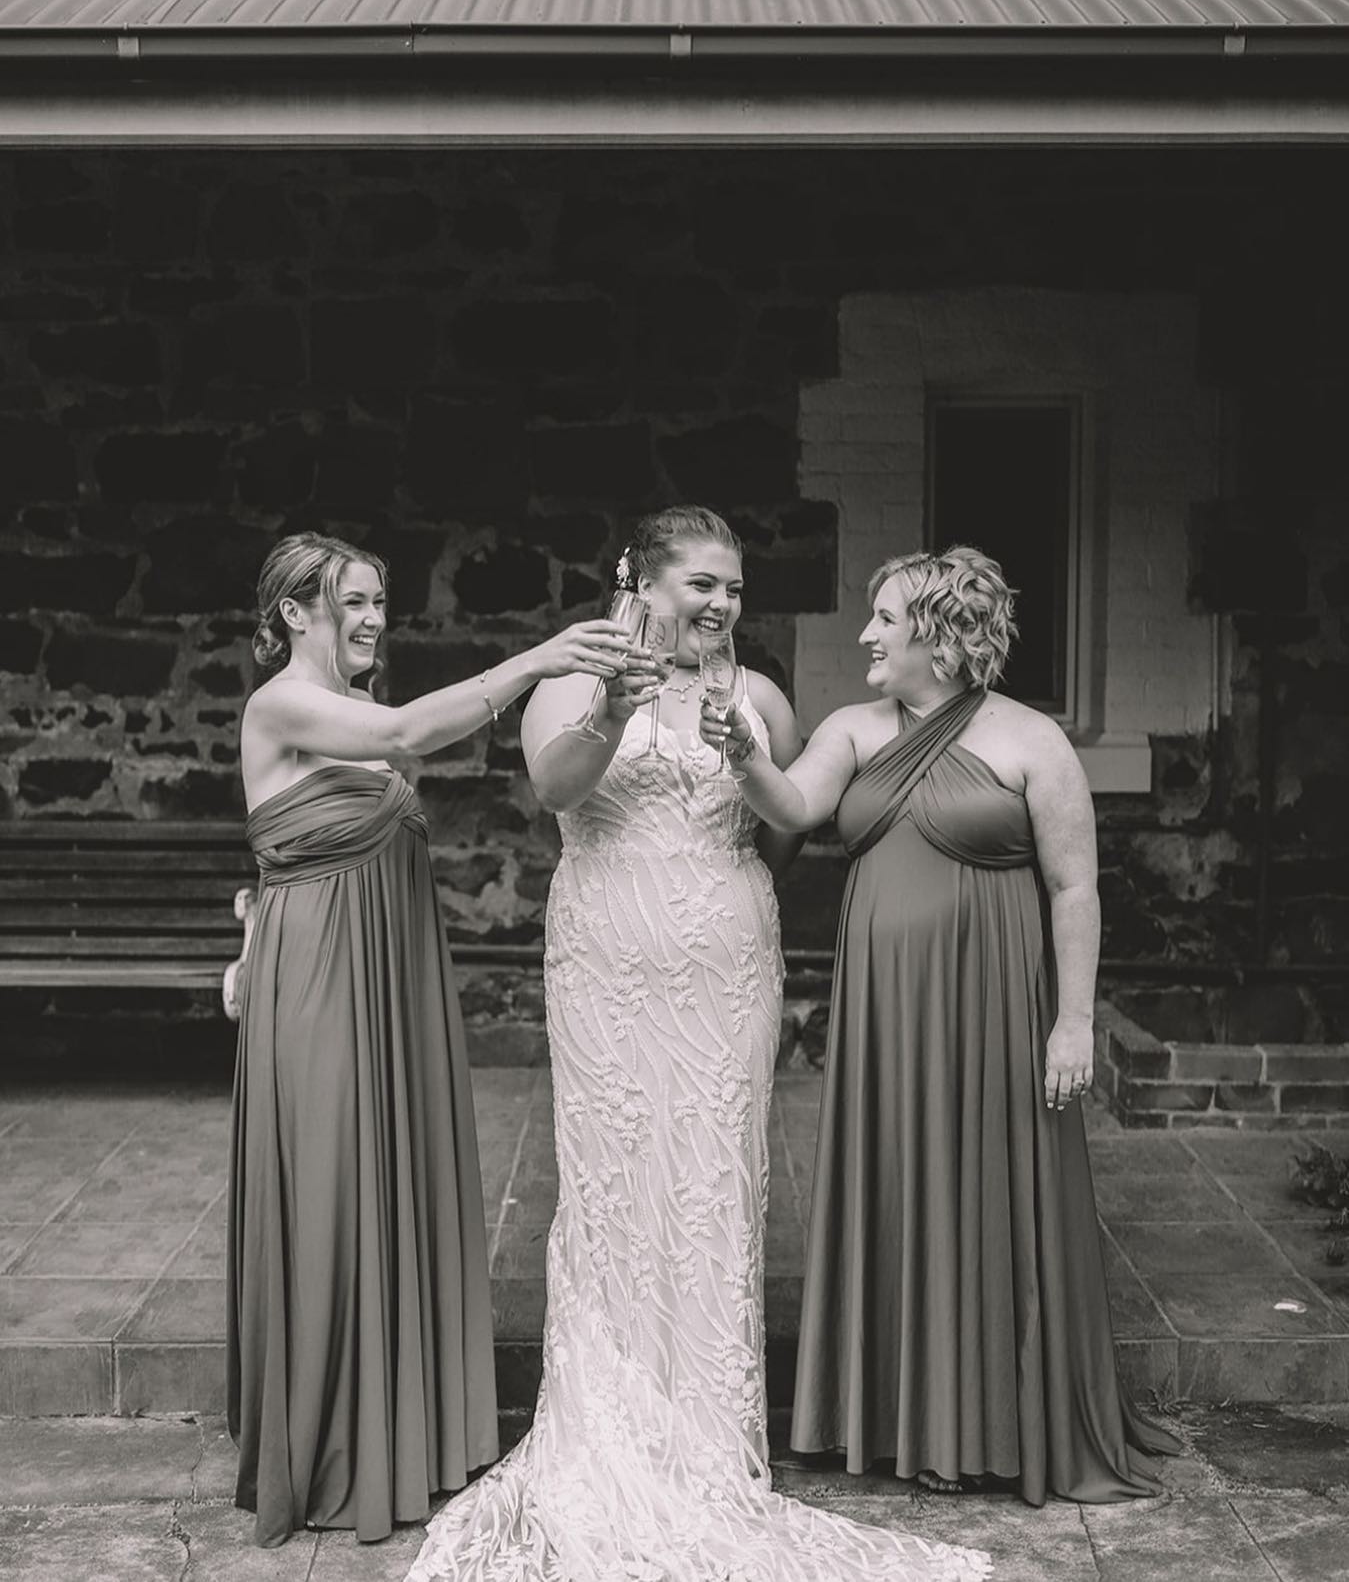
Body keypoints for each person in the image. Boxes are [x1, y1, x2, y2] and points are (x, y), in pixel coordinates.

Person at [407, 507, 991, 1582]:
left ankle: (710, 1437)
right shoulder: (571, 681)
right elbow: (554, 788)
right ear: (640, 577)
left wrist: (737, 767)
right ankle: (612, 1421)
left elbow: (780, 825)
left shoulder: (759, 695)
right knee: (615, 1181)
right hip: (607, 952)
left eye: (732, 586)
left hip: (724, 952)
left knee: (714, 1181)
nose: (721, 604)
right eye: (701, 584)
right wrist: (611, 712)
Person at [700, 543, 1180, 1505]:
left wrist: (1072, 1021)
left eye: (885, 618)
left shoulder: (1030, 740)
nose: (867, 633)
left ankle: (992, 1421)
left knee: (991, 1183)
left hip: (995, 1000)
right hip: (887, 1006)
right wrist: (747, 756)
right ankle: (887, 1417)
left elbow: (1073, 886)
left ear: (945, 638)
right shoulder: (850, 726)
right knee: (894, 1174)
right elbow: (792, 805)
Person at [230, 529, 636, 1547]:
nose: (372, 618)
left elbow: (291, 840)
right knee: (330, 1185)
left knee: (384, 1180)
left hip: (390, 977)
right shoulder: (281, 701)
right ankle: (324, 1441)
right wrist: (536, 659)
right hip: (325, 981)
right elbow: (409, 737)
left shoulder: (352, 709)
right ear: (293, 613)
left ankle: (393, 1430)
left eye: (378, 600)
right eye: (351, 601)